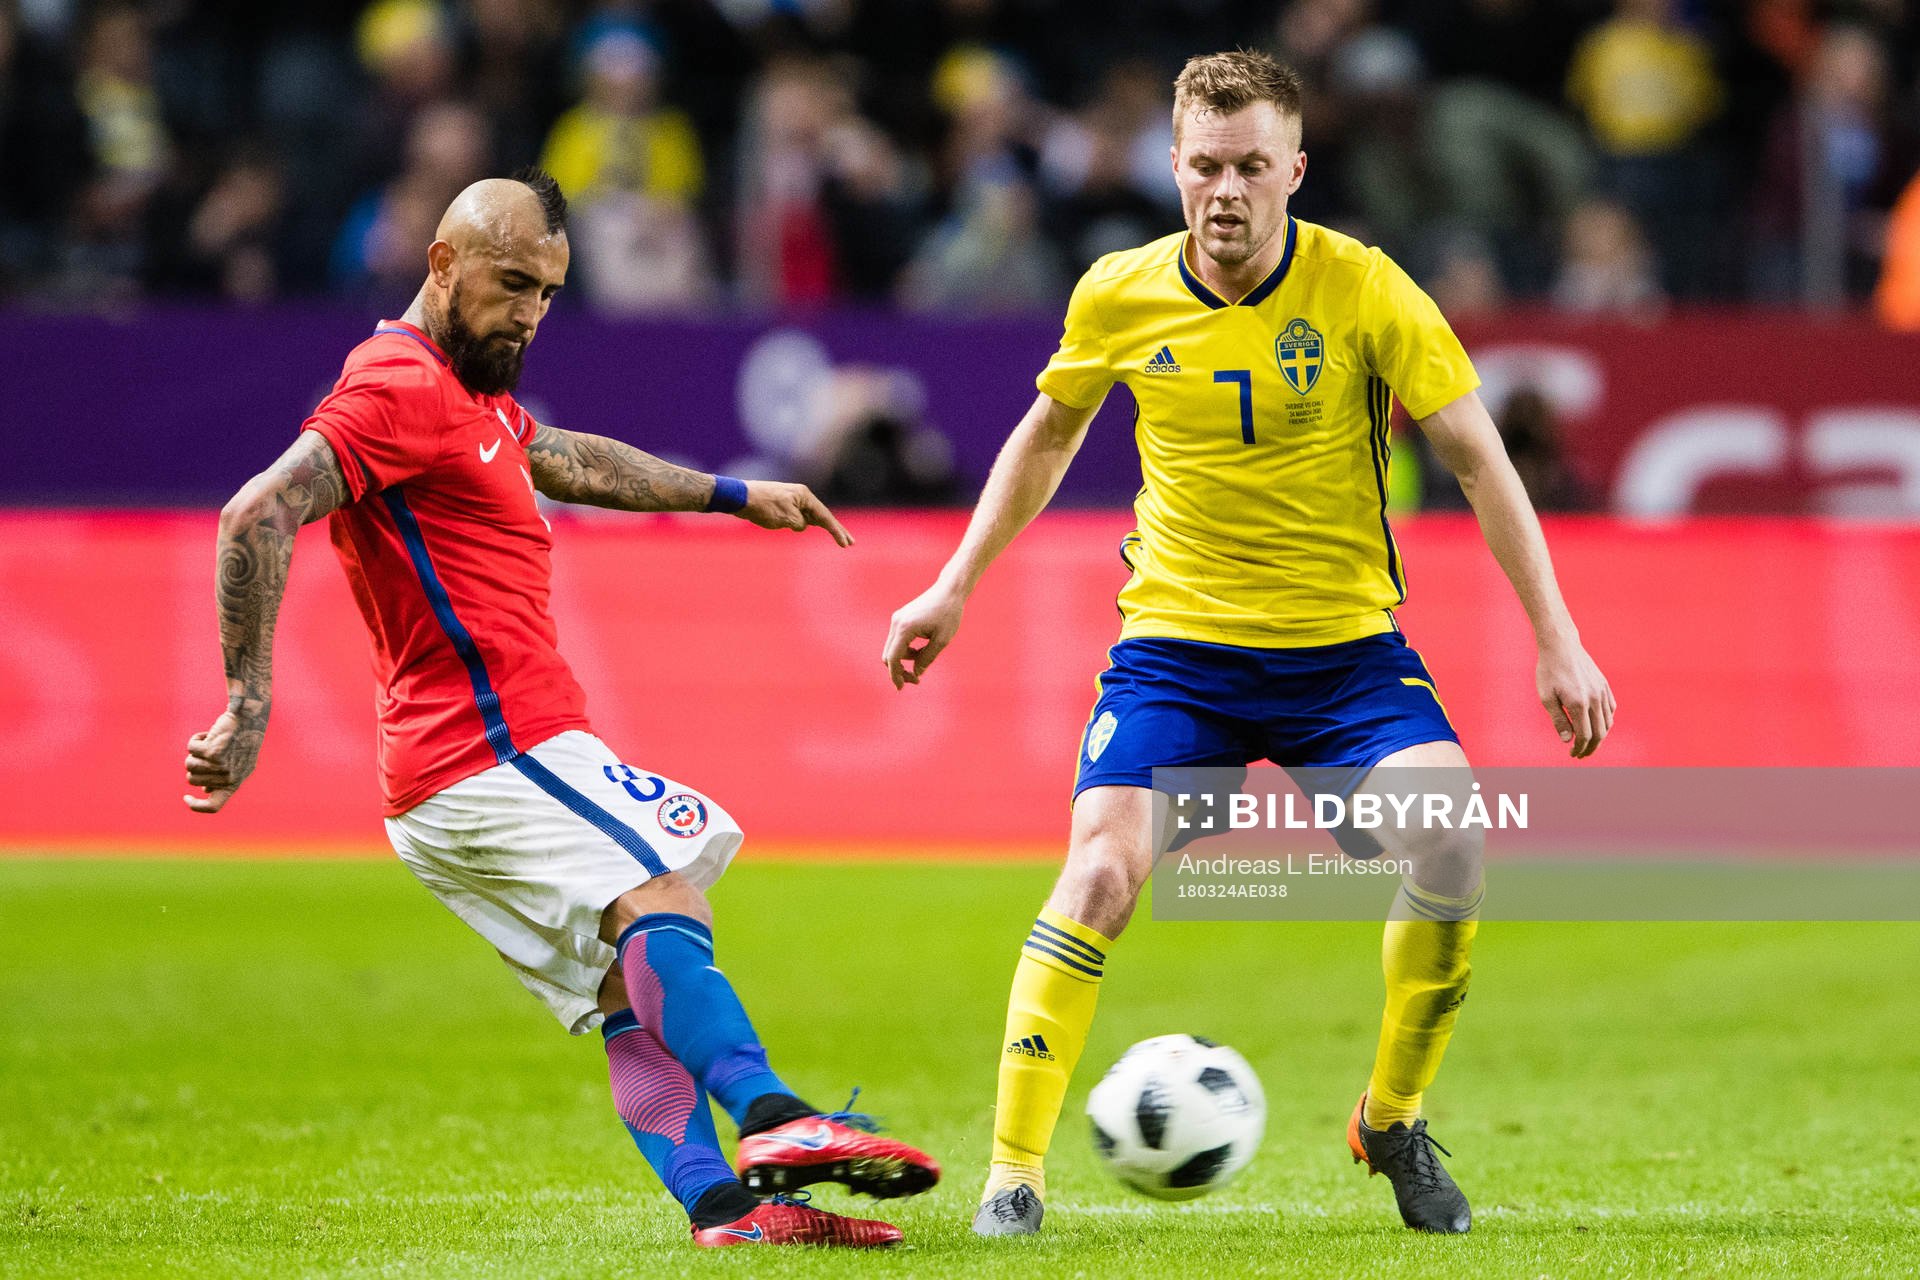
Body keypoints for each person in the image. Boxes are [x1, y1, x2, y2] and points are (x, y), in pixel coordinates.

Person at [883, 51, 1613, 1239]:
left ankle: (1393, 1117)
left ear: (1296, 171)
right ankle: (1012, 1172)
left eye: (1253, 168)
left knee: (1455, 847)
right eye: (1207, 167)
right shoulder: (1117, 291)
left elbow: (1480, 457)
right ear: (1173, 165)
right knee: (1100, 872)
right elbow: (1045, 436)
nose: (1228, 192)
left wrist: (1559, 639)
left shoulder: (1367, 288)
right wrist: (951, 583)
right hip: (1180, 654)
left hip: (1345, 659)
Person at [183, 169, 937, 1249]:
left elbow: (565, 458)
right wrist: (248, 700)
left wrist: (731, 495)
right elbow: (258, 507)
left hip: (465, 772)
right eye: (512, 283)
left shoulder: (467, 389)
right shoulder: (396, 384)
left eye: (547, 292)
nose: (531, 312)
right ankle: (776, 1114)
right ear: (442, 263)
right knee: (662, 888)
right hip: (486, 746)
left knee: (630, 987)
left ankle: (727, 1209)